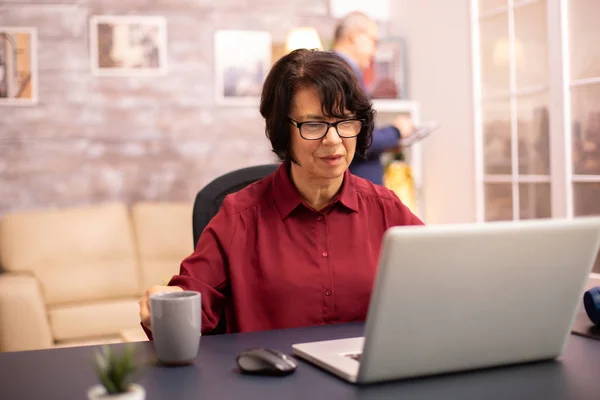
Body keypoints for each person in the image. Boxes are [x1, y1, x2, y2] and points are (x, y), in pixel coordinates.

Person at [139, 49, 424, 337]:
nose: (334, 139)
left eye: (346, 121)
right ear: (281, 130)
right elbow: (192, 301)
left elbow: (439, 282)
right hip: (273, 377)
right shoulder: (239, 217)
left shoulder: (386, 209)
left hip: (364, 376)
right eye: (314, 124)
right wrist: (163, 306)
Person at [332, 11, 415, 185]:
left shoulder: (342, 71)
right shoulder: (341, 74)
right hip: (355, 188)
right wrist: (396, 131)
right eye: (374, 42)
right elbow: (355, 138)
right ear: (355, 36)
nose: (375, 52)